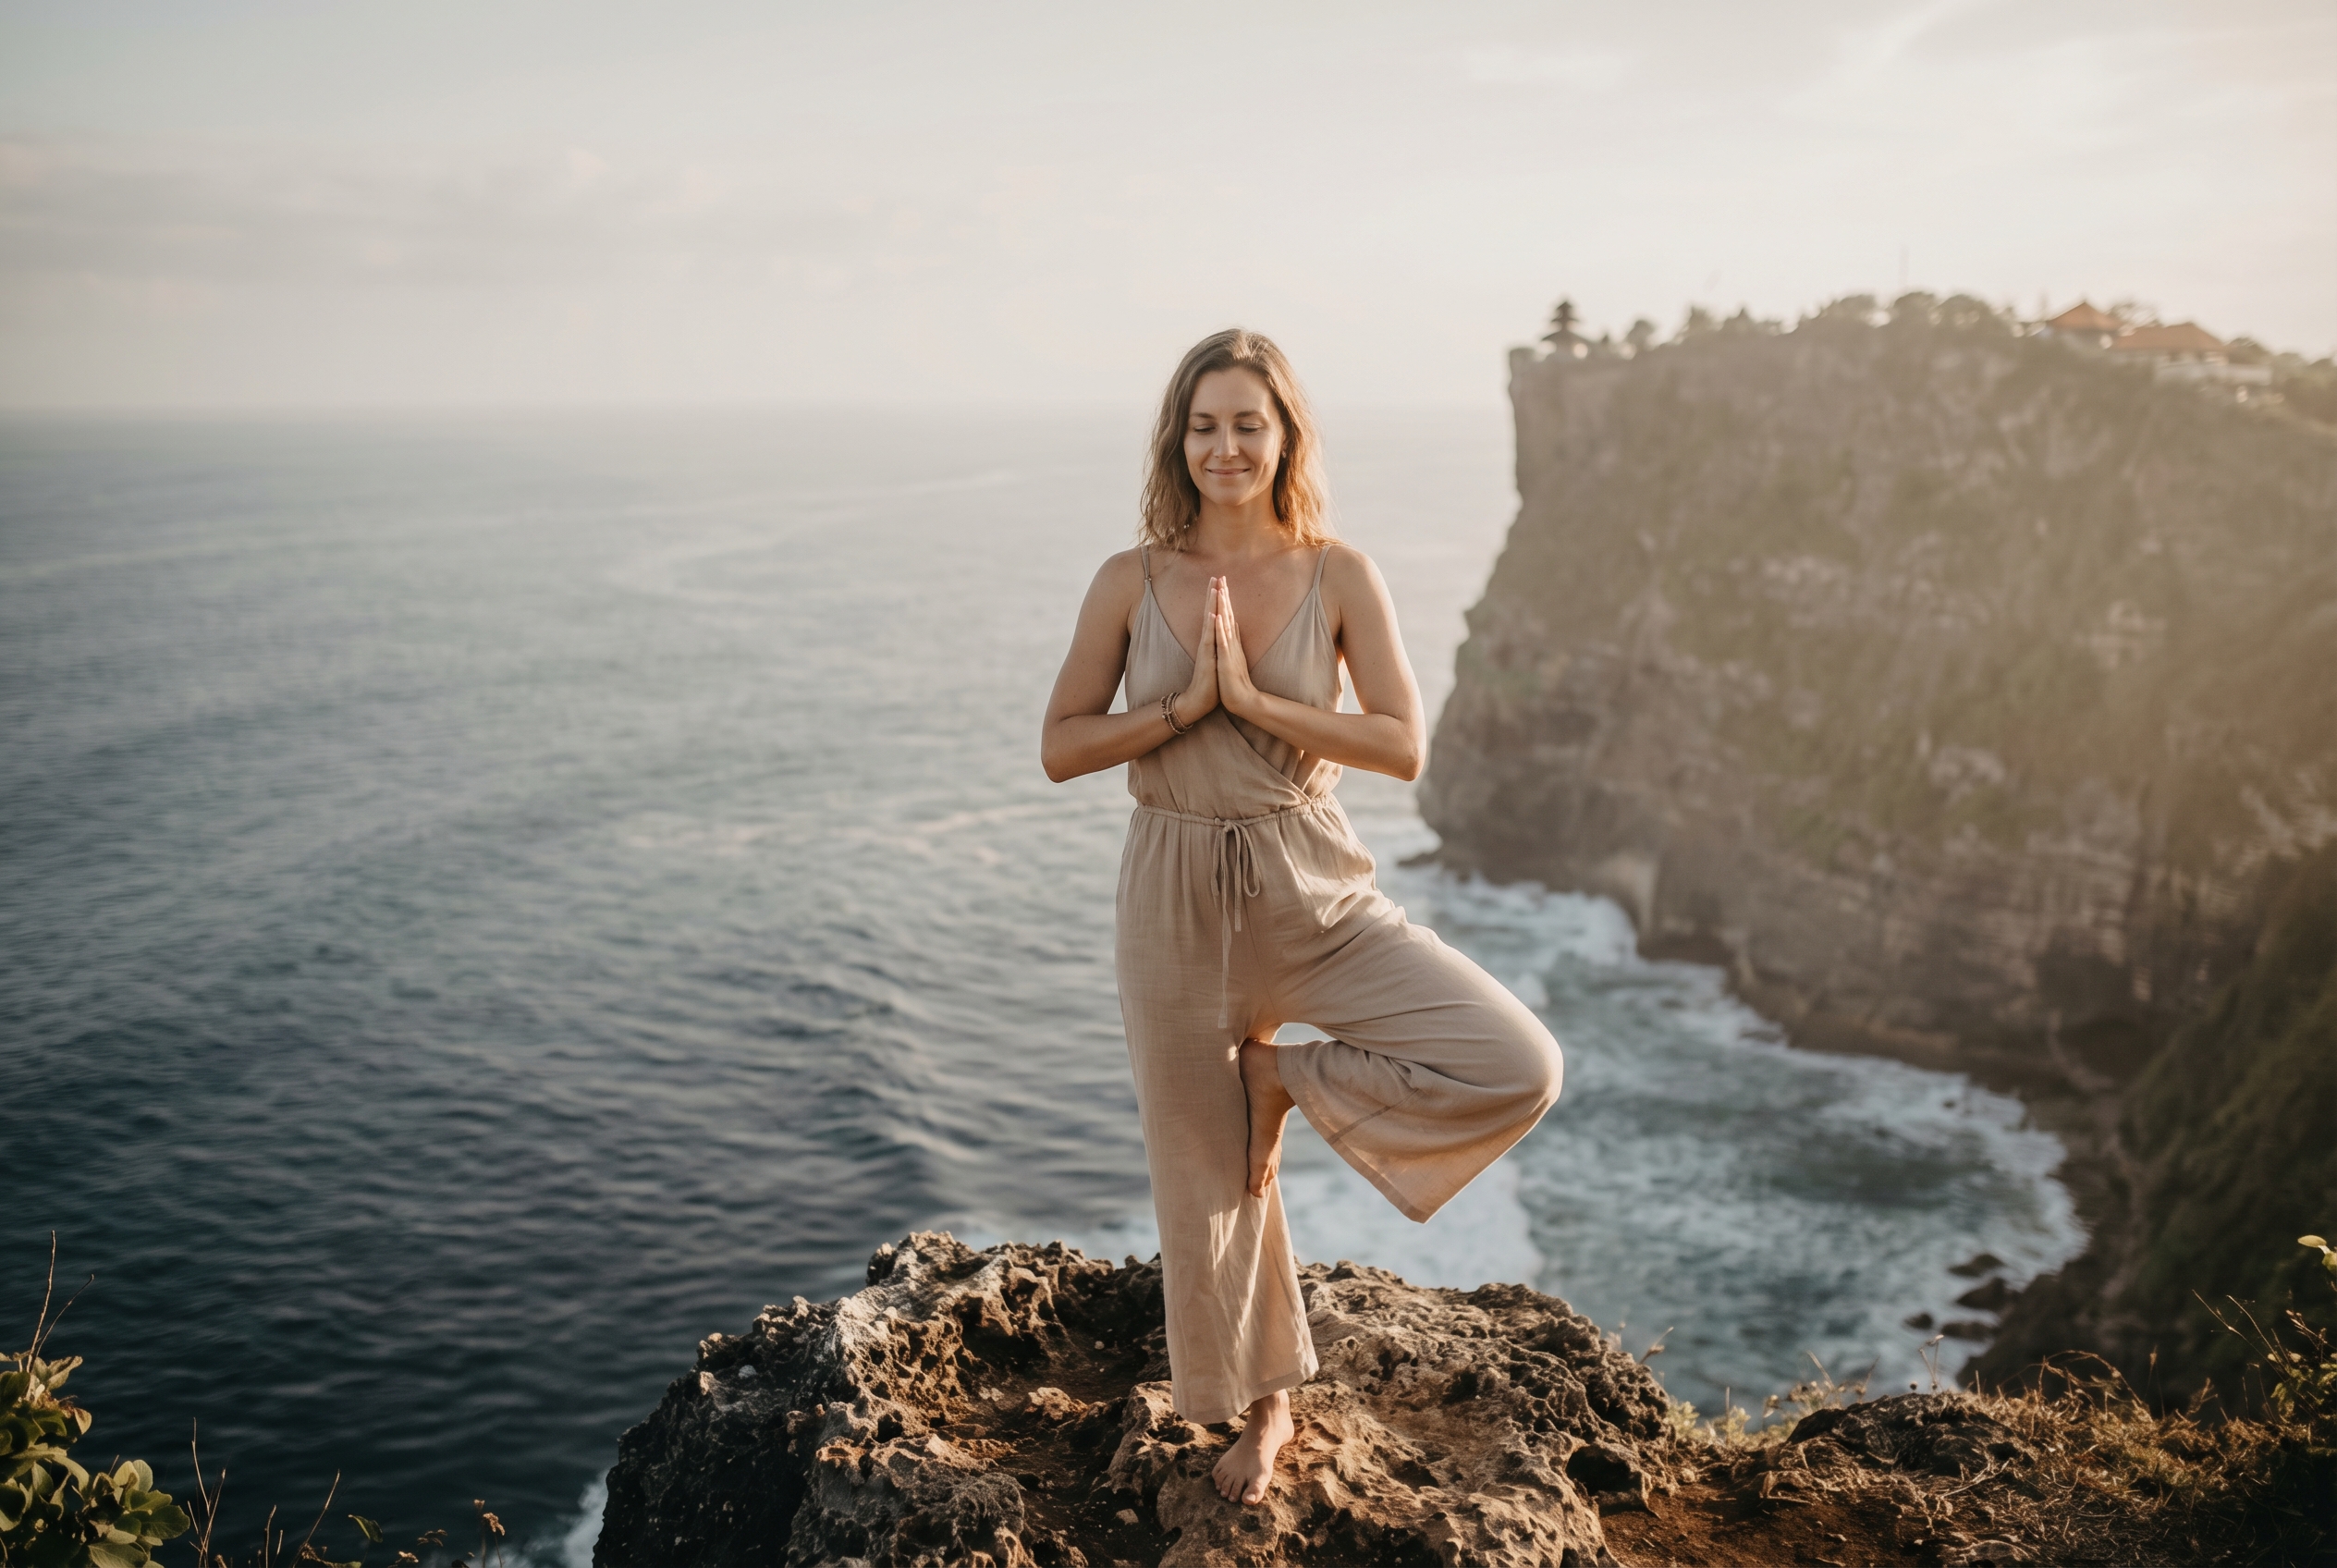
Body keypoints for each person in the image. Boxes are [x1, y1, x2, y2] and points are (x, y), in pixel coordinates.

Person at [1039, 328, 1564, 1506]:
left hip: (1311, 884)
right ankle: (1267, 1410)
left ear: (1284, 437)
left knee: (1515, 1058)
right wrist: (1180, 707)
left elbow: (1400, 742)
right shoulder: (1132, 578)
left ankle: (1290, 1079)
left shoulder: (1338, 573)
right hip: (1172, 893)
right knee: (1206, 1181)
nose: (1225, 446)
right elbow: (1061, 745)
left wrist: (1261, 700)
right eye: (1203, 424)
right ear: (1178, 440)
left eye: (1247, 423)